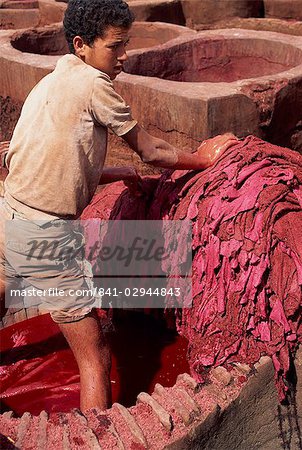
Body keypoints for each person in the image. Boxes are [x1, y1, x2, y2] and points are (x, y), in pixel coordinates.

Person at [0, 0, 238, 412]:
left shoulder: (53, 80)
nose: (124, 56)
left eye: (126, 44)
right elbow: (151, 150)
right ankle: (97, 434)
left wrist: (113, 173)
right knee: (95, 355)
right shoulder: (95, 85)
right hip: (47, 236)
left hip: (10, 215)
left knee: (4, 290)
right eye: (115, 47)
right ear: (82, 45)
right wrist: (206, 159)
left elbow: (54, 158)